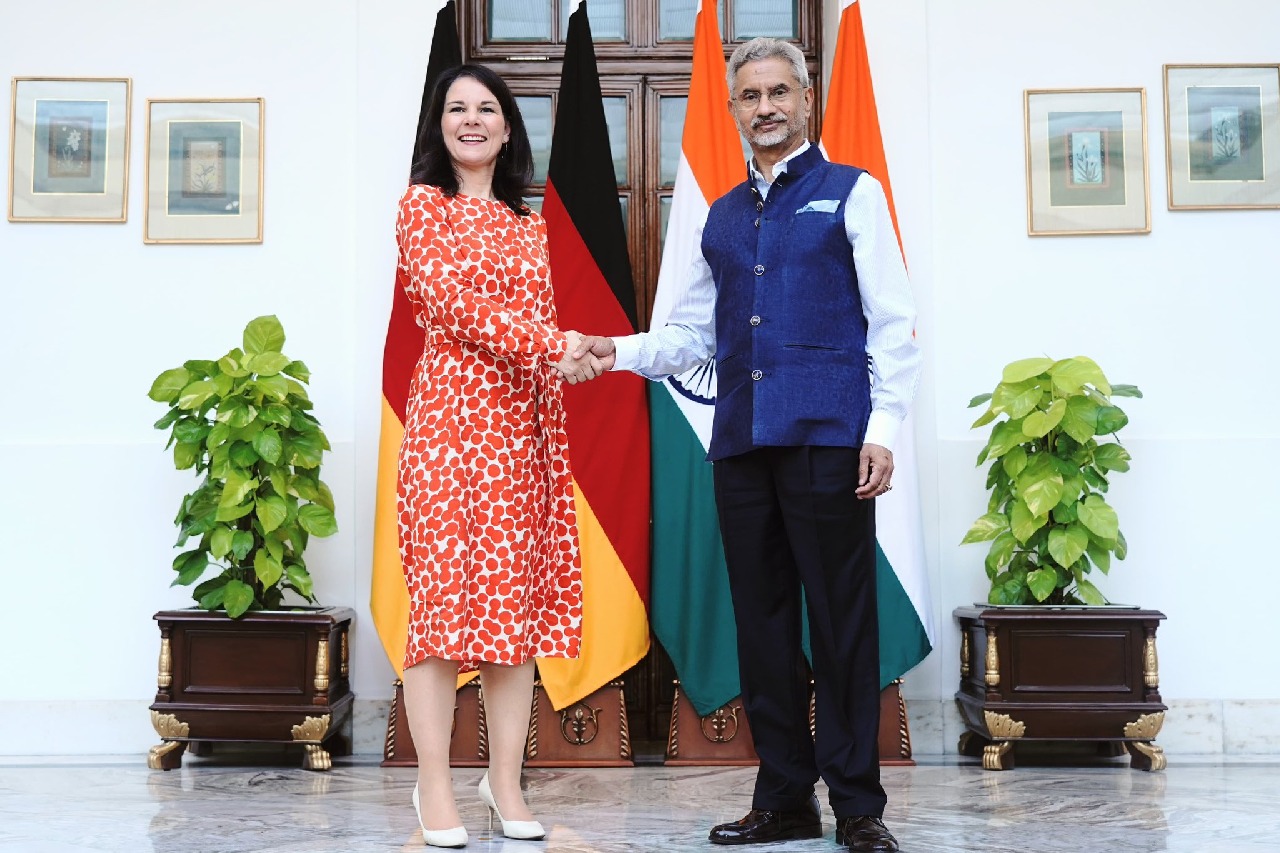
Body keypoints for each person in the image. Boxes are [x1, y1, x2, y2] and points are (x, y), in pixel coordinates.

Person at [572, 37, 919, 853]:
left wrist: (882, 431)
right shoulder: (722, 216)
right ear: (733, 110)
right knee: (762, 627)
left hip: (830, 441)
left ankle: (858, 808)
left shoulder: (851, 193)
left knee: (840, 626)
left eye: (778, 92)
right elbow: (688, 334)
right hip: (742, 448)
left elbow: (894, 322)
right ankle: (785, 796)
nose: (764, 107)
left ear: (807, 100)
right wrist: (612, 350)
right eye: (749, 96)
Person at [395, 63, 602, 848]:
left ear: (509, 129)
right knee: (444, 608)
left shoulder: (528, 224)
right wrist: (557, 344)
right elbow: (453, 306)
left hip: (522, 429)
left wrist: (568, 365)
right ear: (439, 125)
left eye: (488, 108)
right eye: (458, 108)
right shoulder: (423, 208)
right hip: (450, 426)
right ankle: (435, 784)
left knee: (512, 608)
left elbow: (542, 335)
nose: (473, 120)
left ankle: (505, 780)